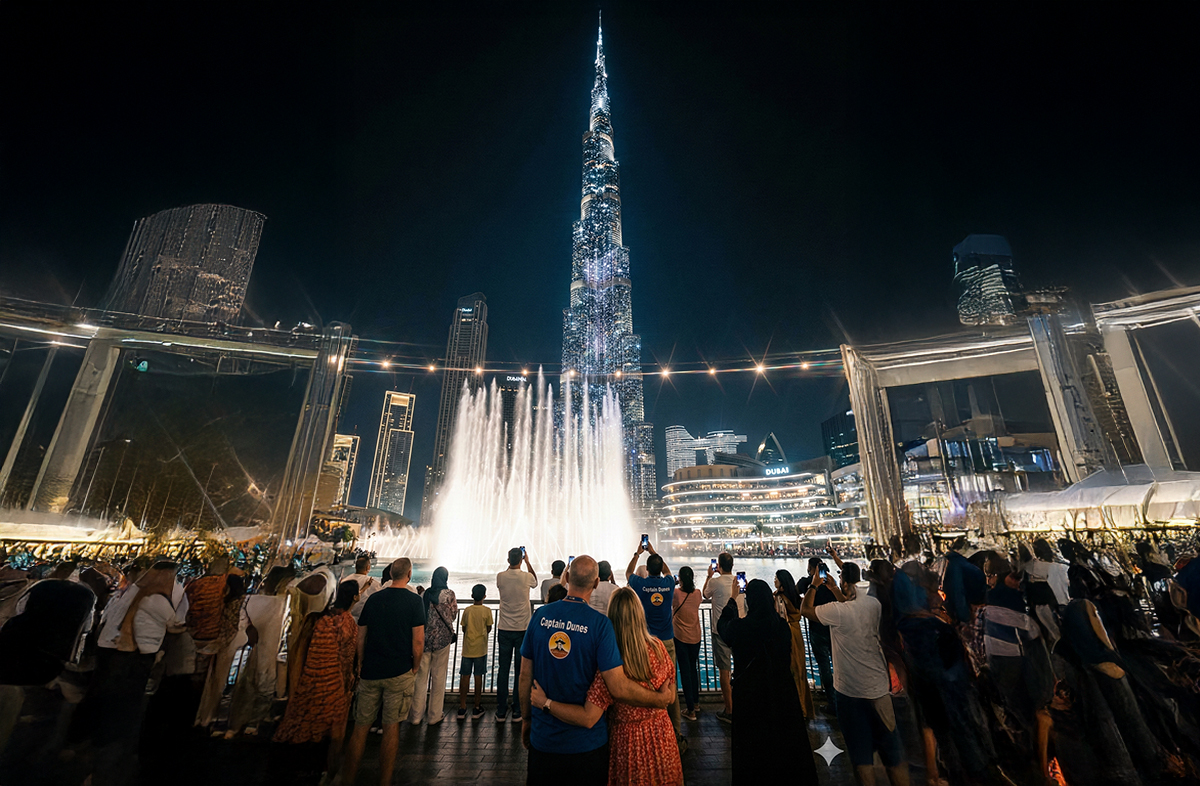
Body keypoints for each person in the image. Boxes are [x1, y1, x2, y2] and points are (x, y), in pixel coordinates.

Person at [517, 556, 674, 786]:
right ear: (597, 583)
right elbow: (618, 686)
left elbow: (524, 676)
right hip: (588, 746)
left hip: (544, 740)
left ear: (567, 578)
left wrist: (527, 719)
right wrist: (660, 700)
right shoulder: (601, 626)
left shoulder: (540, 616)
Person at [803, 563, 908, 786]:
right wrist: (834, 589)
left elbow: (806, 610)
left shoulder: (838, 611)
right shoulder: (873, 605)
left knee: (862, 760)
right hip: (879, 690)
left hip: (850, 693)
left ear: (843, 581)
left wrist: (814, 585)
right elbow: (851, 605)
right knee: (894, 755)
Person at [83, 561, 185, 785]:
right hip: (125, 653)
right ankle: (106, 761)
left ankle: (101, 757)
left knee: (114, 703)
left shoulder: (138, 594)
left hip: (120, 653)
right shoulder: (145, 595)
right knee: (119, 705)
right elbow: (175, 623)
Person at [719, 578, 819, 785]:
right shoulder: (781, 627)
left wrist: (731, 599)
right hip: (781, 695)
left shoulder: (741, 628)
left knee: (752, 751)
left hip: (750, 698)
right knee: (783, 747)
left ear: (750, 602)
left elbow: (723, 627)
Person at [341, 557, 426, 786]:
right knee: (391, 728)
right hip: (399, 672)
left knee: (360, 728)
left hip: (370, 671)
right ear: (409, 575)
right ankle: (385, 781)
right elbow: (418, 641)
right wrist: (415, 666)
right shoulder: (414, 601)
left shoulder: (374, 599)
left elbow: (361, 635)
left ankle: (347, 779)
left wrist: (360, 663)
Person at [273, 580, 360, 778]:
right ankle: (328, 775)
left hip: (307, 689)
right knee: (332, 740)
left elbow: (298, 658)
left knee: (309, 736)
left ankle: (306, 772)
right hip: (335, 691)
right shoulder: (347, 624)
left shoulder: (315, 621)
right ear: (355, 597)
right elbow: (346, 660)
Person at [625, 540, 681, 741]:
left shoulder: (641, 584)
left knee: (646, 683)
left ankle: (649, 727)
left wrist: (638, 553)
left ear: (647, 569)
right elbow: (667, 571)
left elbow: (628, 574)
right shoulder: (668, 584)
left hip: (646, 642)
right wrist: (654, 553)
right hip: (667, 640)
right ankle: (676, 731)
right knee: (670, 682)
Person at [227, 565, 292, 735]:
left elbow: (240, 625)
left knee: (242, 686)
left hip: (246, 652)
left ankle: (232, 723)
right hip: (272, 657)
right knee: (266, 687)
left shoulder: (250, 600)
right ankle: (255, 723)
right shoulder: (286, 605)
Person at [495, 546, 537, 722]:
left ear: (507, 560)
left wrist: (513, 562)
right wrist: (527, 562)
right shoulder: (526, 577)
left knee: (503, 670)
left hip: (504, 629)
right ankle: (518, 710)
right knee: (521, 672)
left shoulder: (500, 577)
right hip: (522, 630)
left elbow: (507, 572)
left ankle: (501, 711)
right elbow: (535, 580)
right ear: (521, 560)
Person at [410, 566, 456, 725]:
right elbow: (453, 615)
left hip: (424, 640)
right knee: (438, 678)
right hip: (442, 641)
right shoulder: (449, 595)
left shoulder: (425, 594)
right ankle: (434, 715)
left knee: (420, 679)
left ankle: (416, 716)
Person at [702, 551, 739, 722]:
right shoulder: (738, 582)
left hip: (721, 633)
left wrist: (709, 576)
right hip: (739, 630)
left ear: (719, 566)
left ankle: (730, 710)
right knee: (740, 670)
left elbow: (705, 594)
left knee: (724, 672)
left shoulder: (715, 582)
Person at [796, 557, 837, 706]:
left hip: (817, 628)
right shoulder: (831, 583)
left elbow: (796, 589)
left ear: (812, 569)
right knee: (837, 665)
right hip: (832, 628)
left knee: (824, 666)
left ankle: (832, 702)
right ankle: (841, 699)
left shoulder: (808, 583)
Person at [774, 568, 814, 718]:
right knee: (799, 668)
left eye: (776, 578)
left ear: (782, 582)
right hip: (797, 633)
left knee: (789, 669)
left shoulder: (780, 599)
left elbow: (778, 616)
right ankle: (803, 706)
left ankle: (794, 708)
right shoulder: (797, 598)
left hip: (786, 634)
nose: (774, 580)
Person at [671, 565, 702, 721]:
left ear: (681, 578)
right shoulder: (697, 594)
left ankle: (690, 710)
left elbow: (671, 600)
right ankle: (696, 703)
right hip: (695, 637)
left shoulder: (676, 593)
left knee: (685, 672)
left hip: (681, 638)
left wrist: (675, 582)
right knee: (693, 669)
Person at [457, 583, 491, 721]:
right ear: (485, 596)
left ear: (471, 596)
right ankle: (477, 707)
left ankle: (462, 707)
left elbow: (463, 628)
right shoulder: (487, 611)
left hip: (467, 649)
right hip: (481, 649)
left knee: (465, 677)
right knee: (478, 677)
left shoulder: (467, 610)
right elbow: (489, 628)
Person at [345, 555, 380, 620]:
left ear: (355, 567)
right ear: (368, 567)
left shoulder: (345, 580)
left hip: (345, 617)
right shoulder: (373, 583)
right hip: (363, 620)